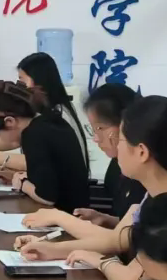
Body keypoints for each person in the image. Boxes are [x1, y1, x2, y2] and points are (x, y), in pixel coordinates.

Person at [16, 95, 167, 280]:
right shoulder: (160, 192)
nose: (117, 147)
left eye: (122, 140)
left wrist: (98, 260)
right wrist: (50, 249)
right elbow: (116, 240)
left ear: (142, 152)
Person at [20, 83, 142, 238]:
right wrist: (106, 219)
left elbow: (123, 241)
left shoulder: (141, 174)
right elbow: (133, 227)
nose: (96, 139)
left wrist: (62, 219)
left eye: (99, 129)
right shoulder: (120, 164)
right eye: (93, 129)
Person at [0, 52, 88, 172]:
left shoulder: (56, 116)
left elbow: (36, 162)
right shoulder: (40, 116)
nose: (19, 85)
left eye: (22, 79)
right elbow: (12, 141)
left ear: (39, 79)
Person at [0, 80, 89, 212]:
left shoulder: (33, 135)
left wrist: (21, 184)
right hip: (76, 210)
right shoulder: (48, 120)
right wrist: (16, 177)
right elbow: (53, 174)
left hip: (67, 215)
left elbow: (46, 197)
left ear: (9, 122)